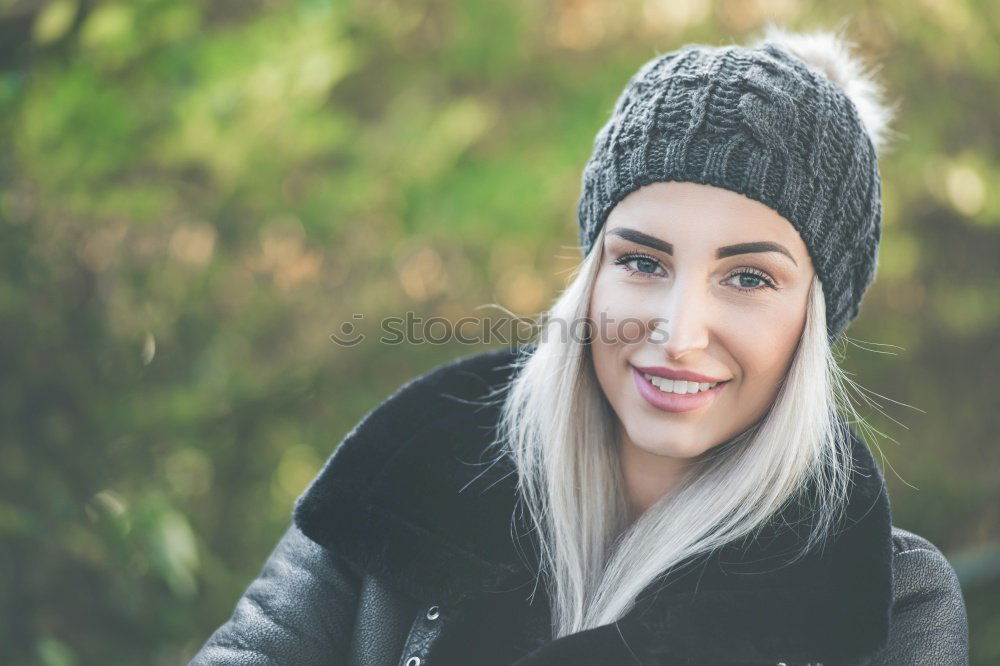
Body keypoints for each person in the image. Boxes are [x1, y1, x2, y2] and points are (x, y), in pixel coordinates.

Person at [191, 24, 969, 666]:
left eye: (749, 279)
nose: (677, 331)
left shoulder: (888, 603)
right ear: (592, 277)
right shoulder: (401, 478)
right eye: (641, 262)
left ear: (815, 315)